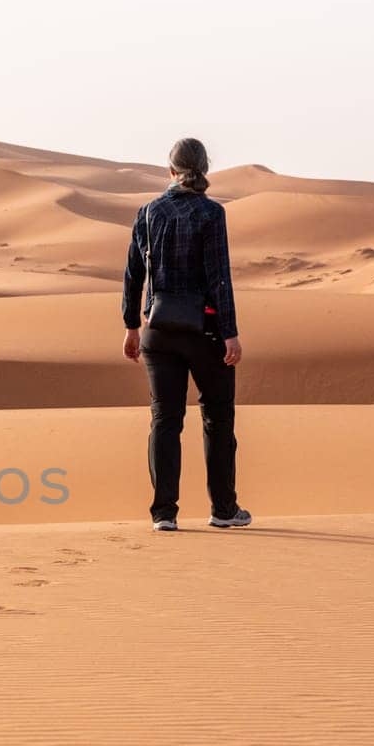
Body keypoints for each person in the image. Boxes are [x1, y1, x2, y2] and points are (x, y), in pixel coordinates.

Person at [121, 137, 251, 532]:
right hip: (205, 331)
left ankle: (164, 514)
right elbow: (218, 277)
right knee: (217, 417)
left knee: (165, 420)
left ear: (170, 170)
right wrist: (229, 332)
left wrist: (130, 326)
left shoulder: (148, 213)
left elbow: (132, 275)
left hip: (157, 331)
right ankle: (224, 510)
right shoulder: (211, 214)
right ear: (205, 168)